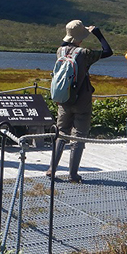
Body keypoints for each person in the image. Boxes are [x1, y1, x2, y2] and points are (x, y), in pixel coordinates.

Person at [47, 20, 113, 183]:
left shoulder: (60, 51)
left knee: (61, 134)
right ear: (80, 38)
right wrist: (97, 33)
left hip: (63, 100)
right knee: (79, 136)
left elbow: (66, 43)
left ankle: (52, 169)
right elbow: (108, 51)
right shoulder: (84, 53)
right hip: (82, 101)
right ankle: (73, 174)